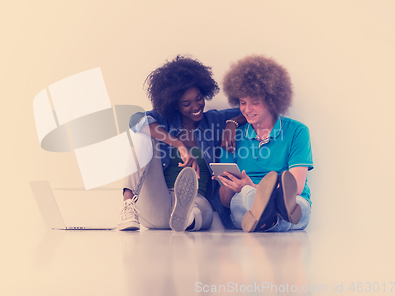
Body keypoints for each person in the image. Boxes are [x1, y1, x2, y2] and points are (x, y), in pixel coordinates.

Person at [117, 55, 245, 231]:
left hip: (197, 202)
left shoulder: (214, 121)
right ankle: (128, 206)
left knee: (201, 212)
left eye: (199, 98)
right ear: (174, 105)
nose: (196, 106)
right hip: (158, 202)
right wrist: (179, 145)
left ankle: (185, 218)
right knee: (141, 135)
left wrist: (232, 123)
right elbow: (135, 120)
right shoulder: (164, 120)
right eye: (186, 103)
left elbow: (251, 110)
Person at [217, 55, 313, 232]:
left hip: (289, 199)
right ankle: (273, 216)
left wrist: (252, 186)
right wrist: (230, 186)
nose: (246, 109)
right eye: (243, 102)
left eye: (255, 102)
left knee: (300, 206)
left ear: (272, 101)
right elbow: (225, 201)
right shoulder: (232, 137)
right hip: (245, 201)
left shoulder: (297, 131)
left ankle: (266, 218)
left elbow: (297, 188)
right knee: (242, 200)